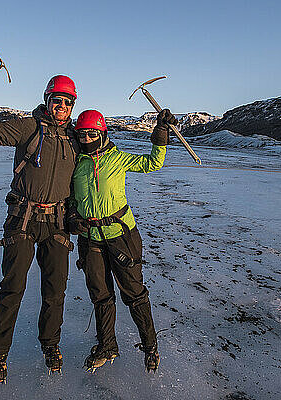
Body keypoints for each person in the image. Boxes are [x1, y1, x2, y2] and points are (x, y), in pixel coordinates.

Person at [0, 74, 80, 383]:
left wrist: (159, 133)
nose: (61, 106)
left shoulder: (77, 138)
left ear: (72, 106)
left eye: (67, 102)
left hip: (57, 224)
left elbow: (106, 158)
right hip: (22, 219)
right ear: (47, 100)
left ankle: (50, 346)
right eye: (56, 100)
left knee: (55, 292)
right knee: (12, 289)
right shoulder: (27, 128)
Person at [66, 108, 177, 373]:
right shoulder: (76, 163)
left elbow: (153, 163)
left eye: (92, 133)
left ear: (102, 133)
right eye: (81, 135)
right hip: (89, 238)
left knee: (134, 294)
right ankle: (107, 346)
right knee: (101, 296)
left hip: (121, 237)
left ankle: (150, 346)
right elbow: (71, 198)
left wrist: (161, 132)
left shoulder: (119, 159)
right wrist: (72, 216)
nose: (86, 139)